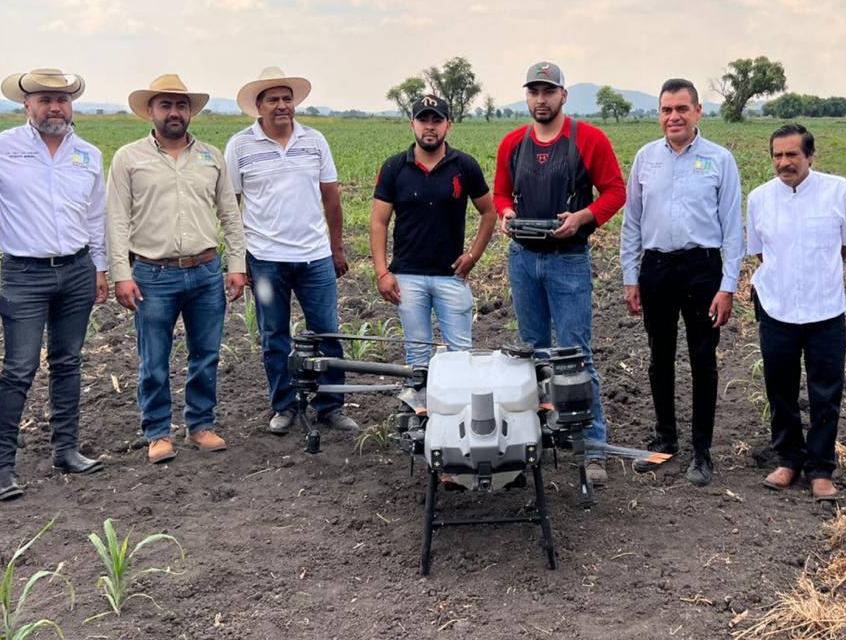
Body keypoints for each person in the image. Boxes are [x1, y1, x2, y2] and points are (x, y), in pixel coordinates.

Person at [0, 68, 108, 501]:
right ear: (27, 106)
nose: (54, 107)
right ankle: (0, 466)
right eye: (44, 99)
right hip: (25, 274)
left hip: (78, 270)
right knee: (20, 368)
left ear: (71, 105)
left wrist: (99, 267)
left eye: (61, 99)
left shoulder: (88, 154)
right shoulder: (3, 147)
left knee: (68, 361)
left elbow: (95, 217)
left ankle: (66, 450)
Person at [493, 61, 625, 486]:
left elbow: (615, 190)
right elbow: (499, 192)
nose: (541, 99)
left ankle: (592, 449)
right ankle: (530, 441)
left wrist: (584, 216)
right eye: (533, 91)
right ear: (526, 96)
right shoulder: (513, 143)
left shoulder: (588, 139)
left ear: (563, 96)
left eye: (548, 91)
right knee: (530, 353)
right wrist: (506, 213)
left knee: (575, 354)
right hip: (523, 258)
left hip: (568, 259)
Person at [106, 74, 247, 464]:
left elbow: (230, 215)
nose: (174, 112)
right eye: (165, 105)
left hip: (205, 271)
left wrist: (237, 264)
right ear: (150, 111)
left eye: (181, 105)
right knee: (154, 358)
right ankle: (157, 432)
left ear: (190, 112)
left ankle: (200, 425)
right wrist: (121, 273)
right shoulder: (129, 158)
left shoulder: (211, 156)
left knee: (206, 354)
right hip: (153, 273)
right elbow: (116, 220)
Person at [620, 78, 742, 487]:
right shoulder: (645, 158)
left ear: (697, 112)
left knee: (703, 361)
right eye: (666, 110)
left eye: (682, 109)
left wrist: (727, 286)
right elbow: (632, 221)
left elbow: (732, 229)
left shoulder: (719, 159)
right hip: (656, 268)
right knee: (660, 358)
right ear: (659, 114)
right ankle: (666, 438)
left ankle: (701, 450)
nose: (674, 117)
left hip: (701, 268)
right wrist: (630, 276)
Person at [223, 67, 357, 435]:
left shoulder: (315, 141)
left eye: (287, 98)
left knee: (327, 333)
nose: (282, 105)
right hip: (265, 260)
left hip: (314, 258)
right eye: (273, 100)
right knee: (274, 337)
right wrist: (238, 258)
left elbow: (331, 197)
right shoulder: (240, 146)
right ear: (258, 106)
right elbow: (230, 205)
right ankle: (283, 406)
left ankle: (330, 405)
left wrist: (336, 247)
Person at [746, 124, 846, 500]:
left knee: (825, 392)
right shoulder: (760, 198)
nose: (784, 163)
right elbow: (761, 252)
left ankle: (820, 468)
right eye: (778, 156)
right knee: (780, 389)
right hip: (777, 306)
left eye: (792, 155)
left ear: (810, 156)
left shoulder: (837, 191)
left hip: (825, 307)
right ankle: (787, 460)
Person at [370, 94, 496, 366]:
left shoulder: (465, 166)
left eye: (436, 120)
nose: (430, 126)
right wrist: (382, 272)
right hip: (408, 277)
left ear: (448, 125)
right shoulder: (394, 168)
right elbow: (379, 222)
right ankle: (420, 407)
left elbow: (489, 212)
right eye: (423, 120)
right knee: (417, 355)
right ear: (412, 124)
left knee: (461, 354)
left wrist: (472, 256)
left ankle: (459, 407)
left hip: (451, 275)